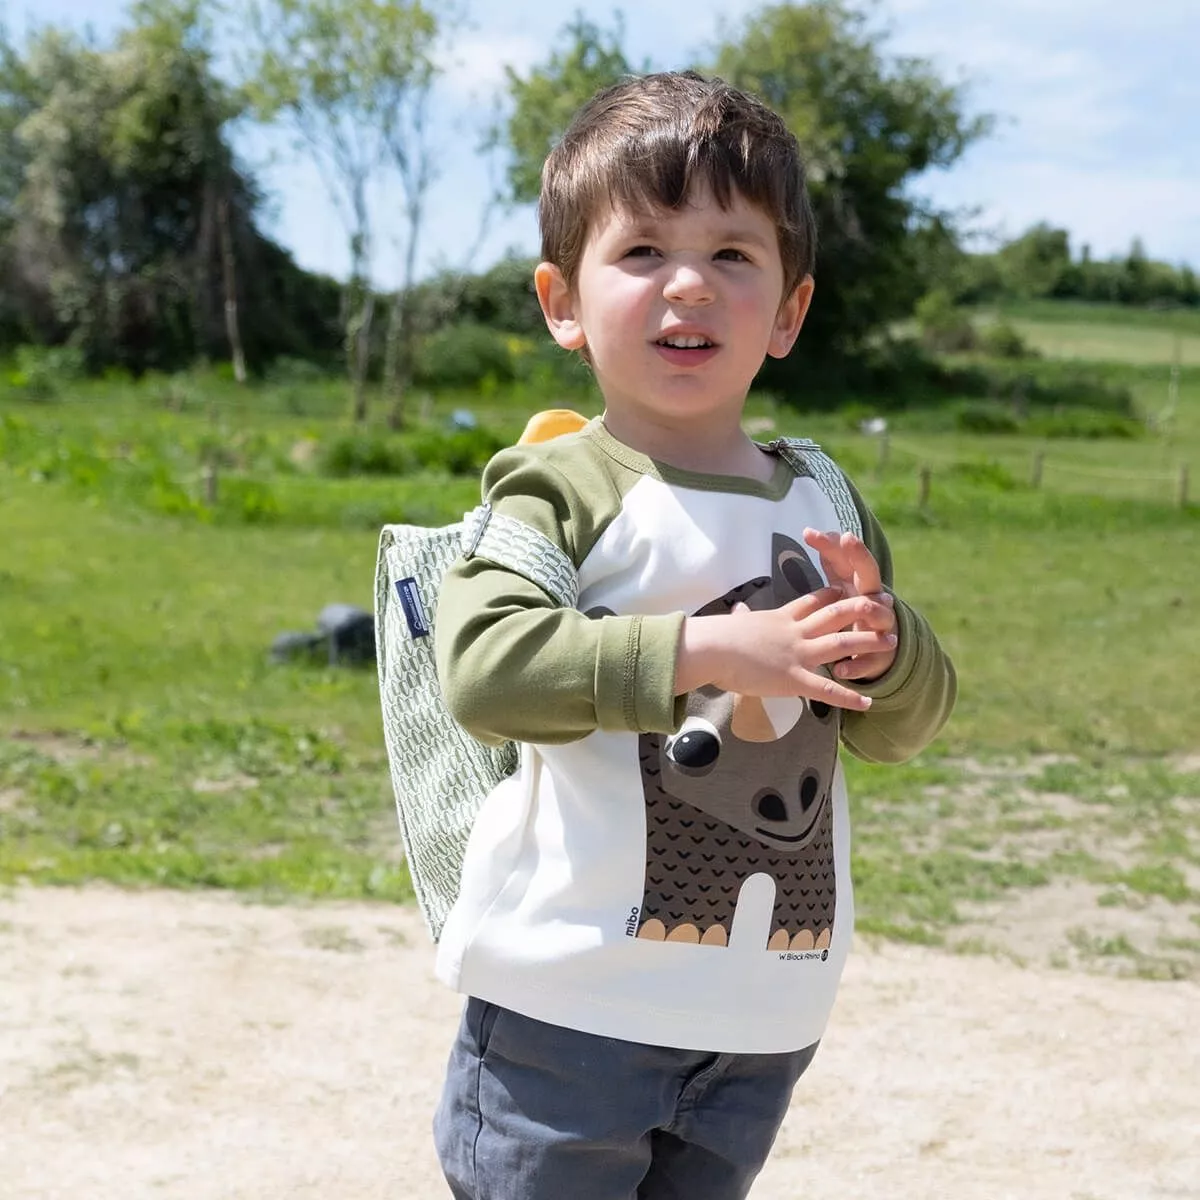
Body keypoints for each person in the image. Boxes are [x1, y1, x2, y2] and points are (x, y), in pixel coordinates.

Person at [430, 69, 957, 1200]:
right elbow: (482, 671)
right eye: (642, 253)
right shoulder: (555, 489)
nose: (689, 287)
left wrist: (889, 647)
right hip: (565, 1009)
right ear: (562, 301)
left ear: (788, 311)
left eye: (731, 255)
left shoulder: (821, 497)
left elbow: (906, 727)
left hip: (763, 1018)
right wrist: (709, 656)